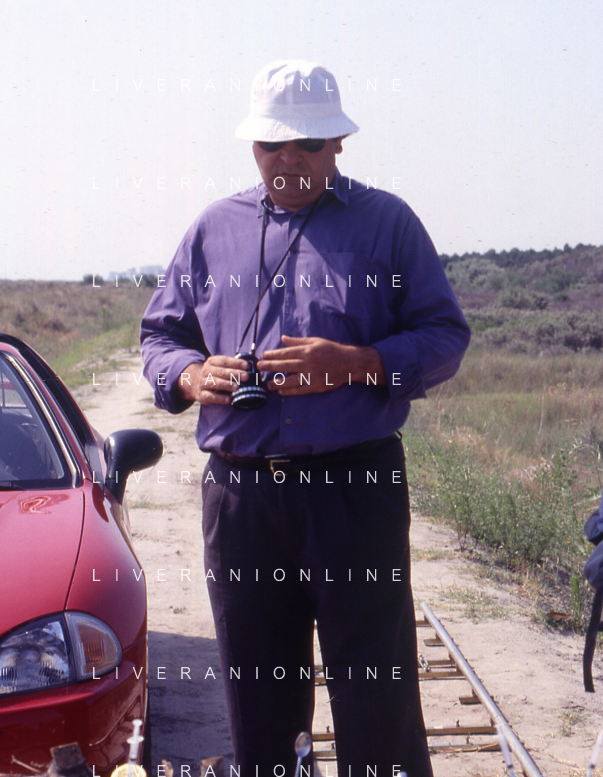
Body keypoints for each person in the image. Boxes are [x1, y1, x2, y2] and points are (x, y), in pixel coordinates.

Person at [140, 60, 470, 776]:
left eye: (308, 144)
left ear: (338, 144)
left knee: (375, 689)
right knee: (258, 692)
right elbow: (159, 336)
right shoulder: (212, 229)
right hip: (243, 494)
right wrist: (191, 374)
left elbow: (446, 336)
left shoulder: (387, 223)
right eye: (272, 145)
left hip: (354, 487)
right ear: (252, 146)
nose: (288, 159)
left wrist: (357, 362)